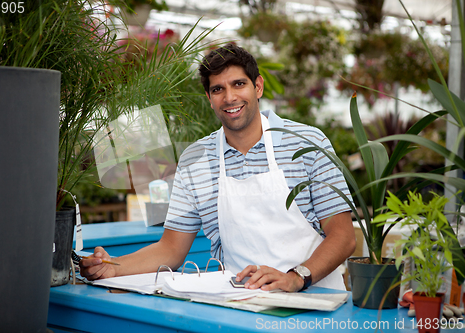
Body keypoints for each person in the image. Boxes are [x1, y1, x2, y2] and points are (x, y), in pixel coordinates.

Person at [80, 43, 356, 292]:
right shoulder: (195, 159)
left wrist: (297, 277)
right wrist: (112, 266)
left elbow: (343, 236)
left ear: (257, 87)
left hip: (314, 299)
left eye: (238, 84)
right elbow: (171, 249)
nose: (229, 97)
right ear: (209, 98)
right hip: (239, 302)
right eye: (218, 89)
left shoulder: (307, 143)